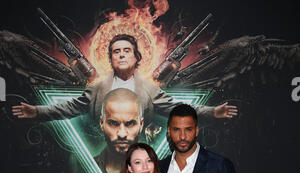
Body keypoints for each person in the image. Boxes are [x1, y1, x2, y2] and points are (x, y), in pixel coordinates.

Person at [11, 34, 238, 126]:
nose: (121, 54)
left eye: (126, 50)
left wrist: (212, 112)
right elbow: (70, 108)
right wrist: (37, 112)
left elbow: (178, 109)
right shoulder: (98, 87)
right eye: (116, 51)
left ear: (136, 57)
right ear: (110, 58)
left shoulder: (149, 88)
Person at [80, 88, 144, 173]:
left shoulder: (158, 172)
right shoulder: (84, 172)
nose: (122, 134)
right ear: (101, 123)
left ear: (141, 125)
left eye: (130, 124)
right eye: (113, 123)